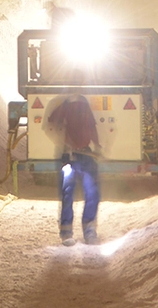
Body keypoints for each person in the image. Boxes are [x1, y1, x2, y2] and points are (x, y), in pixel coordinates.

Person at [48, 92, 102, 246]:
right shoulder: (72, 104)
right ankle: (77, 233)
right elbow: (91, 127)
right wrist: (67, 142)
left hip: (81, 155)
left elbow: (91, 127)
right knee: (79, 193)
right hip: (71, 157)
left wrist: (97, 146)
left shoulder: (78, 103)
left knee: (81, 193)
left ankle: (78, 232)